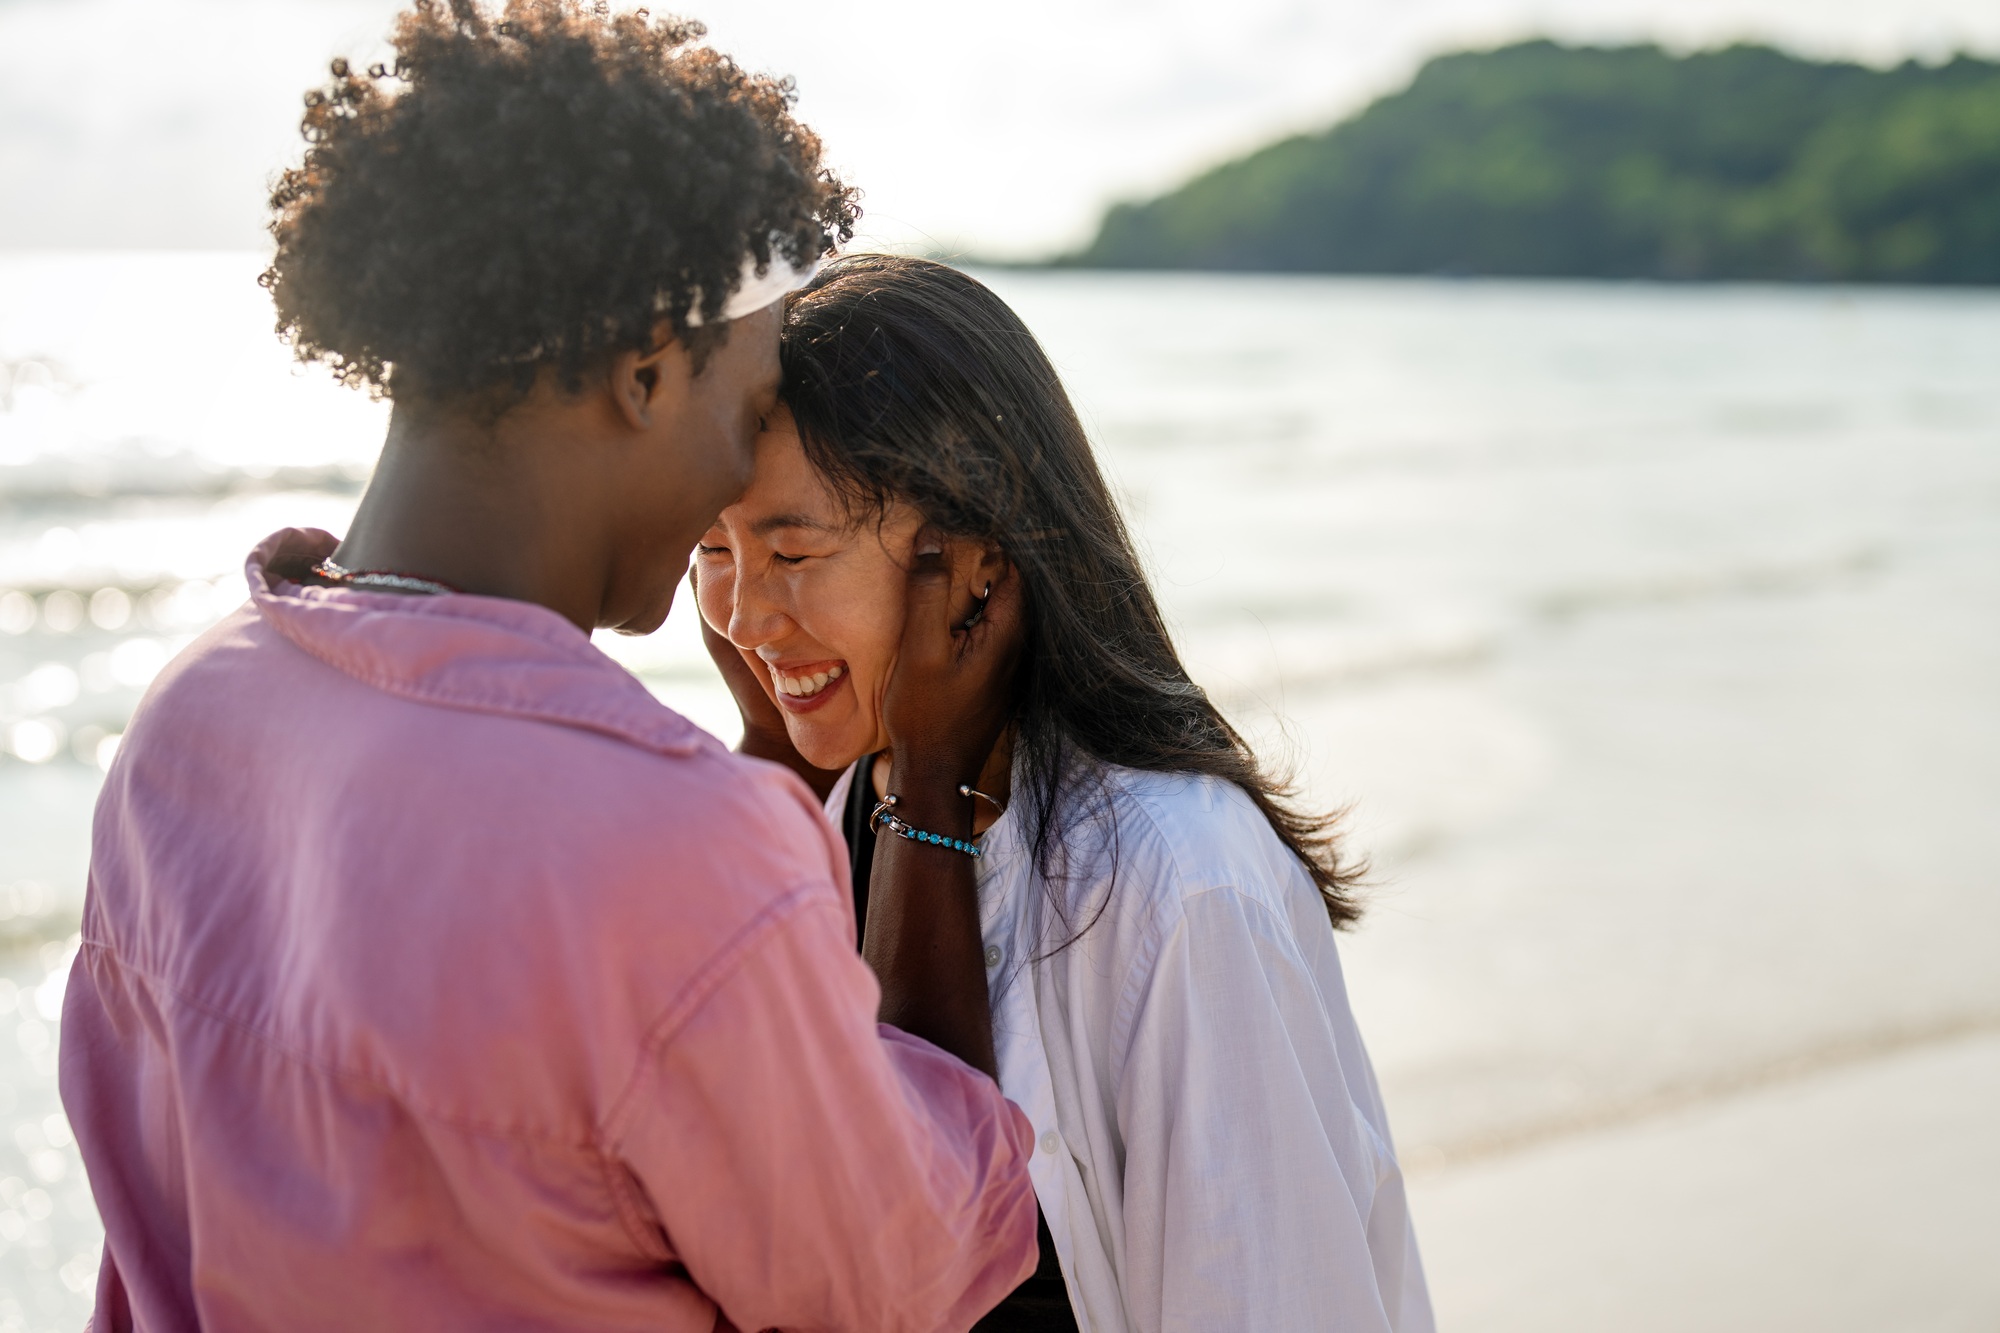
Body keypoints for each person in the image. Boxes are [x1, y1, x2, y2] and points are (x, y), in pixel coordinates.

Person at [58, 8, 1038, 1331]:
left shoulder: (191, 718)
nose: (731, 483)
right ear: (643, 370)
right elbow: (906, 1272)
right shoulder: (672, 851)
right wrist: (921, 798)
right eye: (745, 414)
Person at [693, 253, 1436, 1333]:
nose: (744, 614)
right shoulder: (839, 812)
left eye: (793, 550)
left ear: (974, 558)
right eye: (711, 549)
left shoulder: (1176, 876)